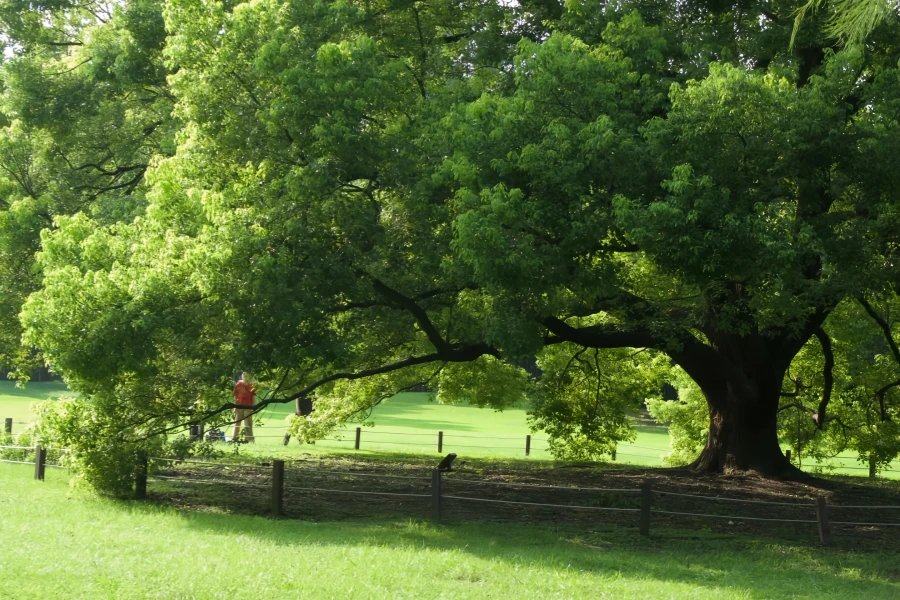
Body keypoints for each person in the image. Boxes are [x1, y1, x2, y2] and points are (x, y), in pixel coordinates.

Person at [232, 372, 256, 443]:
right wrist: (235, 407)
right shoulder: (238, 384)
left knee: (248, 424)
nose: (245, 378)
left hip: (248, 407)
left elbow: (253, 396)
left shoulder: (252, 386)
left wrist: (254, 407)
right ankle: (234, 438)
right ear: (242, 377)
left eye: (247, 377)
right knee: (237, 423)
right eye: (244, 376)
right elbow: (235, 396)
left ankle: (250, 440)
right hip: (239, 406)